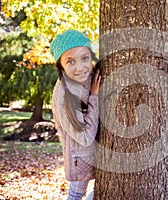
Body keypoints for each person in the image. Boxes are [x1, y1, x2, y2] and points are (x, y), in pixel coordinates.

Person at [50, 30, 101, 200]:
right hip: (81, 158)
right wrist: (94, 96)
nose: (80, 67)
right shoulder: (64, 97)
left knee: (98, 193)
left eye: (85, 58)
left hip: (97, 154)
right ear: (61, 66)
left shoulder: (88, 75)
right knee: (76, 195)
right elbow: (85, 138)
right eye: (70, 61)